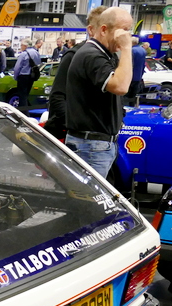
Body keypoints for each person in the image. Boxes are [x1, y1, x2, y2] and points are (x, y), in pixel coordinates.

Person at [65, 7, 133, 178]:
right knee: (86, 195)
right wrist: (126, 49)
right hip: (91, 146)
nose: (127, 36)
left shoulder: (104, 54)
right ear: (103, 30)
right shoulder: (92, 55)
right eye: (124, 30)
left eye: (129, 31)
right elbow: (121, 86)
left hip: (96, 145)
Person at [44, 5, 106, 141]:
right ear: (91, 30)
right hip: (79, 137)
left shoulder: (109, 57)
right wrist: (76, 126)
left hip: (103, 136)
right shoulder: (74, 55)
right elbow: (57, 96)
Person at [12, 38, 40, 112]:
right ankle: (25, 110)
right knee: (26, 94)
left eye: (21, 45)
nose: (21, 47)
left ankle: (23, 112)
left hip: (23, 76)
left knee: (22, 96)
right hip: (32, 76)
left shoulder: (24, 54)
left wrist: (15, 77)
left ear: (25, 45)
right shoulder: (36, 53)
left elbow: (17, 67)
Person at [125, 37, 147, 107]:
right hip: (138, 77)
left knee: (126, 98)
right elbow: (143, 64)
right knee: (133, 97)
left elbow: (129, 64)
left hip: (130, 78)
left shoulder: (131, 50)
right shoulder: (143, 50)